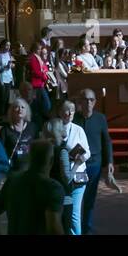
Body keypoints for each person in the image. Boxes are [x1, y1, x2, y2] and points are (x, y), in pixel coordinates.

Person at [0, 137, 64, 235]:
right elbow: (53, 227)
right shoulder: (53, 188)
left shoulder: (12, 180)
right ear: (51, 161)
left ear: (30, 158)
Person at [75, 88, 113, 234]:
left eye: (91, 100)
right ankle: (75, 226)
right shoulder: (75, 118)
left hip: (94, 164)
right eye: (85, 99)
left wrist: (109, 162)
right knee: (77, 198)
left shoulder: (100, 118)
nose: (89, 103)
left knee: (90, 199)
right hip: (78, 165)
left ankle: (86, 227)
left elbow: (107, 141)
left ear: (95, 102)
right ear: (80, 102)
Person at [50, 101, 91, 235]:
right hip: (58, 177)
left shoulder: (78, 130)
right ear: (59, 112)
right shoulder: (53, 127)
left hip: (76, 176)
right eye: (66, 110)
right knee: (60, 215)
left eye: (72, 110)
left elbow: (88, 152)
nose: (68, 113)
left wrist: (76, 159)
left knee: (74, 216)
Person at [0, 96, 36, 167]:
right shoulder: (5, 130)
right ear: (12, 111)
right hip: (12, 166)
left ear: (26, 111)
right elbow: (1, 151)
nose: (20, 110)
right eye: (17, 107)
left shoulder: (32, 127)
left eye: (23, 107)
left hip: (29, 166)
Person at [27, 40, 53, 123]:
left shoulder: (38, 58)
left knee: (38, 104)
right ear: (34, 49)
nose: (40, 51)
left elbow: (44, 68)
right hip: (36, 84)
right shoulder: (33, 58)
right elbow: (36, 71)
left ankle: (39, 120)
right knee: (45, 104)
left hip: (40, 84)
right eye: (38, 49)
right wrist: (45, 77)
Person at [0, 40, 15, 121]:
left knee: (7, 98)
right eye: (6, 45)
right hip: (1, 78)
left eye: (9, 45)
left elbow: (10, 66)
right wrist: (4, 67)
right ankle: (0, 117)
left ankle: (6, 116)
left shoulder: (9, 54)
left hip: (8, 77)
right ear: (2, 46)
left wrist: (11, 66)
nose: (8, 47)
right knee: (1, 98)